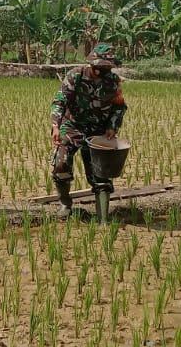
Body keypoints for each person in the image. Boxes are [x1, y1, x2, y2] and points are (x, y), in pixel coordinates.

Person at [50, 42, 127, 221]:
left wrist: (112, 127)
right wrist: (55, 125)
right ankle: (65, 205)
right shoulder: (76, 76)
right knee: (61, 165)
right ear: (94, 65)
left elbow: (119, 107)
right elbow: (60, 101)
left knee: (102, 175)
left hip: (98, 131)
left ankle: (103, 218)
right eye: (104, 67)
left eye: (109, 67)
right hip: (72, 126)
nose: (107, 70)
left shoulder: (113, 82)